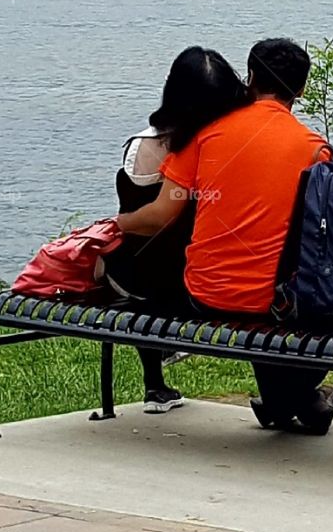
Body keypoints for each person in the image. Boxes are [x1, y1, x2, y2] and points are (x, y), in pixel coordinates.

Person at [116, 37, 333, 435]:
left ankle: (287, 402)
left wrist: (115, 225)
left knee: (259, 306)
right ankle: (299, 399)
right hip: (273, 303)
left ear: (251, 78)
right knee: (296, 309)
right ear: (302, 89)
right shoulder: (317, 150)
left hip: (204, 295)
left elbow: (163, 212)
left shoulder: (207, 135)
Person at [102, 45, 248, 413]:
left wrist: (112, 226)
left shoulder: (140, 145)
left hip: (128, 275)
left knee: (148, 274)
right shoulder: (206, 149)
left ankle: (155, 385)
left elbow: (138, 211)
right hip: (183, 278)